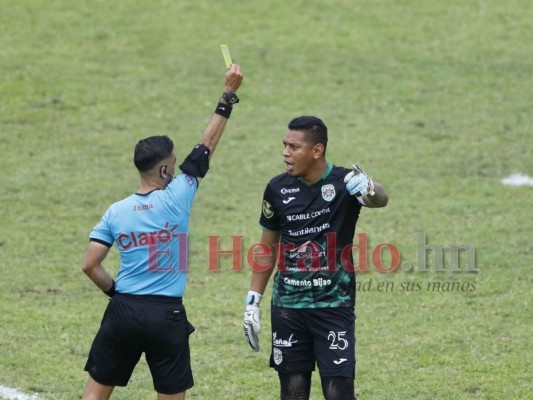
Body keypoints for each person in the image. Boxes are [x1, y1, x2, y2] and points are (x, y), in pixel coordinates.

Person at [81, 64, 244, 400]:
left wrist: (116, 294)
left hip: (123, 310)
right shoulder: (177, 196)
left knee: (95, 396)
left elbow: (89, 265)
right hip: (165, 315)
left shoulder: (116, 211)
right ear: (167, 168)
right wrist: (227, 96)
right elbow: (206, 146)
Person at [242, 116, 388, 400]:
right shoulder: (276, 189)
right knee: (293, 393)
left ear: (317, 150)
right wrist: (252, 301)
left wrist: (369, 186)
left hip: (334, 306)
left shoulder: (345, 183)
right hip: (288, 307)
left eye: (294, 147)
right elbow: (267, 249)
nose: (285, 153)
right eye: (284, 145)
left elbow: (381, 199)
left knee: (338, 394)